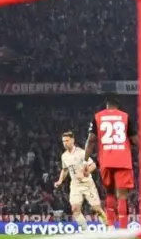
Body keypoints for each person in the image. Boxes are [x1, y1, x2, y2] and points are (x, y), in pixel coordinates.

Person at [93, 96, 134, 230]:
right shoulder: (125, 117)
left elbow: (91, 140)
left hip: (106, 160)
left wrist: (86, 159)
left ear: (107, 104)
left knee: (109, 193)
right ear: (118, 104)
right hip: (122, 160)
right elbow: (135, 139)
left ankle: (110, 227)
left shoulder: (98, 116)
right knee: (122, 196)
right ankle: (123, 232)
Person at [54, 130, 105, 230]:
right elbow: (65, 170)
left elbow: (93, 165)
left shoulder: (81, 153)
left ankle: (108, 227)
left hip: (87, 184)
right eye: (63, 141)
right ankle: (85, 231)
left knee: (97, 209)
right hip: (75, 185)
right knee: (75, 209)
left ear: (72, 140)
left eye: (67, 140)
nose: (65, 143)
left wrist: (85, 173)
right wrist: (60, 181)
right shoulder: (64, 156)